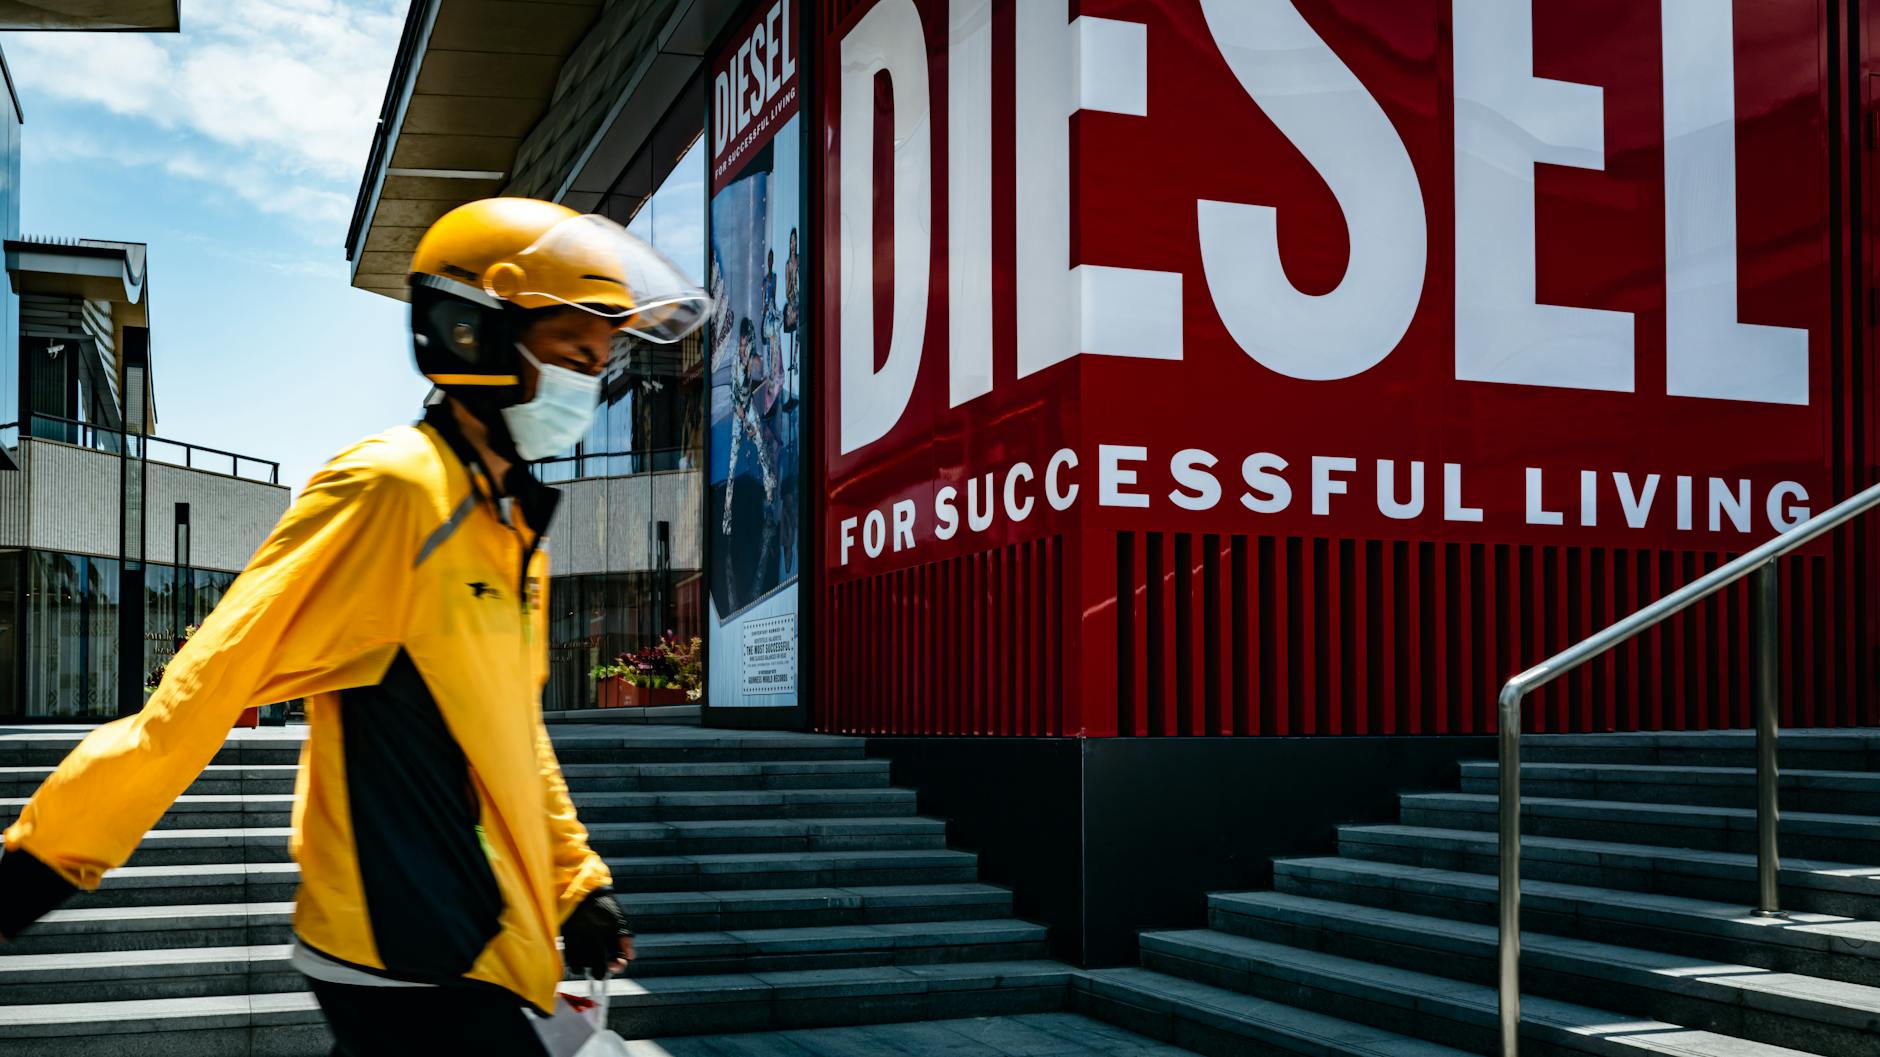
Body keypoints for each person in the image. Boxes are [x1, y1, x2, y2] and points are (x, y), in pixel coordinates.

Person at [0, 197, 709, 1055]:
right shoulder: (392, 492)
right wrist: (38, 862)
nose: (586, 385)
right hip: (401, 950)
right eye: (571, 353)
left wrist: (577, 885)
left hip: (471, 945)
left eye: (597, 363)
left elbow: (514, 737)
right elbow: (205, 684)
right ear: (475, 335)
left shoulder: (506, 524)